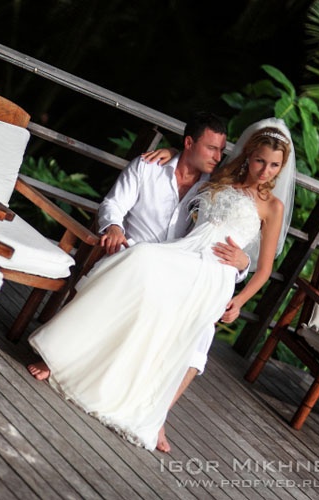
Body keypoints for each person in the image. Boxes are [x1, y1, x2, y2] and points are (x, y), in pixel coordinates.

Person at [26, 119, 295, 452]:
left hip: (216, 272)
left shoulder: (273, 206)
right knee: (138, 259)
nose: (265, 171)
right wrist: (170, 150)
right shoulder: (222, 177)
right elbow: (191, 159)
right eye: (260, 161)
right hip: (185, 253)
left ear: (281, 168)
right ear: (249, 156)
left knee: (198, 332)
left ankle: (157, 417)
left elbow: (264, 269)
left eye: (274, 165)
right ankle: (62, 360)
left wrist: (240, 297)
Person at [90, 112, 249, 452]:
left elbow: (227, 235)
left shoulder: (215, 189)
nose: (218, 157)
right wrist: (114, 227)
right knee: (137, 275)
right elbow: (113, 204)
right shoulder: (148, 166)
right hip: (133, 257)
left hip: (179, 274)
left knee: (204, 326)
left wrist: (244, 264)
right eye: (211, 148)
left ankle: (157, 414)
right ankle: (69, 364)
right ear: (189, 143)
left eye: (221, 151)